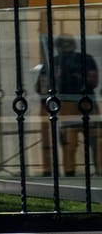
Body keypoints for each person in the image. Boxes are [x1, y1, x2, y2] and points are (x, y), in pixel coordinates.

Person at [37, 36, 100, 175]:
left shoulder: (54, 62)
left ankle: (72, 171)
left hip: (78, 103)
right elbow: (41, 87)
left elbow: (41, 87)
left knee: (82, 140)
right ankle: (75, 170)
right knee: (76, 141)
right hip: (76, 103)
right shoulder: (83, 59)